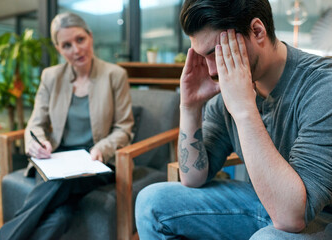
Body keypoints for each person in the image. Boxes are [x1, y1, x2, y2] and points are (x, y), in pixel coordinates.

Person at [135, 0, 332, 239]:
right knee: (151, 202)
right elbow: (192, 178)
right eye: (202, 57)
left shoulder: (322, 87)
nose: (211, 71)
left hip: (318, 218)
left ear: (257, 31)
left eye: (217, 53)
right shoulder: (225, 96)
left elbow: (292, 218)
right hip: (263, 204)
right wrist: (190, 107)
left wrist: (244, 109)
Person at [0, 12, 134, 240]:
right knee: (60, 215)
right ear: (59, 49)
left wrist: (103, 147)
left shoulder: (115, 75)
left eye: (80, 40)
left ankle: (4, 237)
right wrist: (36, 143)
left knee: (60, 183)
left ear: (90, 37)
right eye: (67, 45)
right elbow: (36, 123)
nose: (76, 50)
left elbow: (124, 127)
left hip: (96, 161)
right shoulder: (51, 76)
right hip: (57, 159)